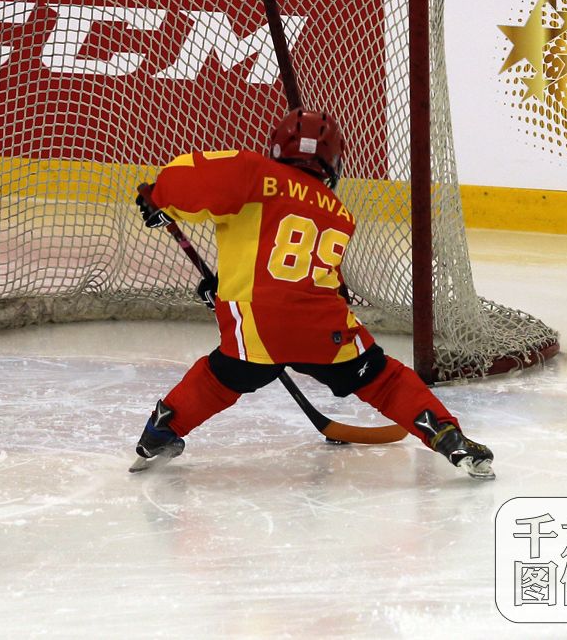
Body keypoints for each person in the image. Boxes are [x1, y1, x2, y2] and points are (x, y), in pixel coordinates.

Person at [131, 109, 495, 480]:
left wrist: (159, 199)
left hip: (258, 330)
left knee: (220, 376)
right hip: (324, 331)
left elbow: (181, 178)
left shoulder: (253, 172)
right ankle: (448, 436)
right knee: (383, 379)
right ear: (334, 163)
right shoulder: (339, 213)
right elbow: (309, 279)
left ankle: (159, 433)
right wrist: (226, 286)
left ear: (276, 148)